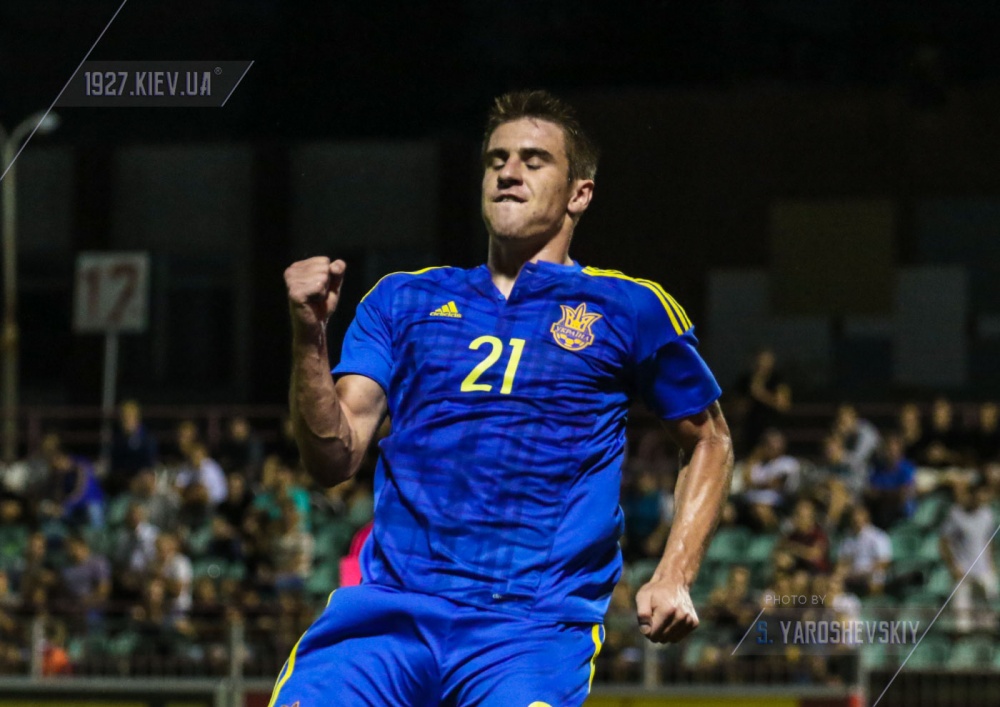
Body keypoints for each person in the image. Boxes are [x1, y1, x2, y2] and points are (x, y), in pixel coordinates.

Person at [271, 90, 734, 706]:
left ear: (579, 194)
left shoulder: (630, 307)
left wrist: (674, 574)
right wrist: (309, 336)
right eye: (497, 159)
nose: (509, 172)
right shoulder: (401, 300)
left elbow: (710, 441)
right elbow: (333, 457)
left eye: (533, 161)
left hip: (530, 632)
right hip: (390, 615)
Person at [939, 480, 998, 632]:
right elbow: (944, 543)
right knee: (962, 621)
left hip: (983, 571)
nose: (982, 498)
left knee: (987, 618)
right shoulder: (955, 514)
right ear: (971, 494)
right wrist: (953, 567)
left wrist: (991, 565)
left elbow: (987, 541)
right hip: (962, 572)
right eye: (979, 494)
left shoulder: (987, 514)